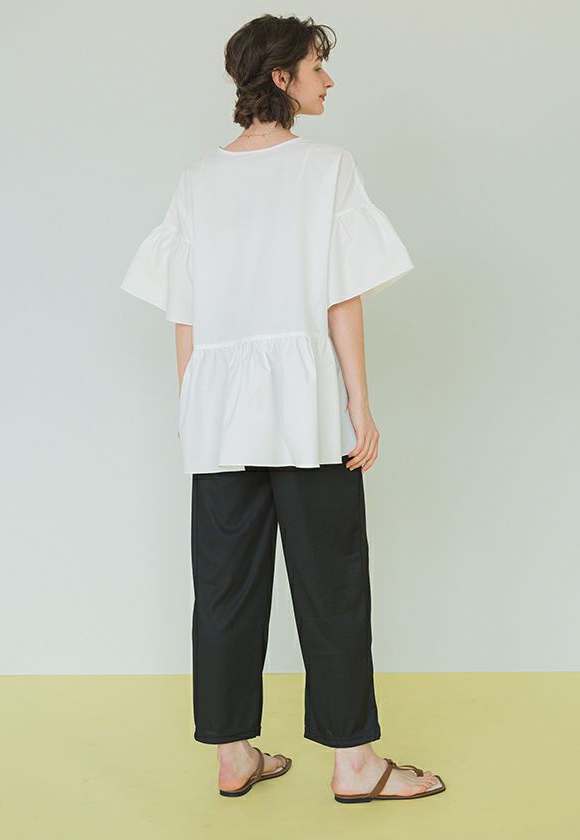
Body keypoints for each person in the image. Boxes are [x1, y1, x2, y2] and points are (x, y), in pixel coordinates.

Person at [120, 13, 445, 804]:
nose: (327, 80)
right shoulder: (327, 168)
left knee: (223, 588)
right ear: (280, 78)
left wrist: (193, 406)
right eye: (316, 67)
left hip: (219, 410)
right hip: (306, 409)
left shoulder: (197, 179)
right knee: (332, 584)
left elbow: (184, 310)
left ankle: (233, 755)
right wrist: (360, 404)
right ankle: (355, 764)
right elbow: (341, 297)